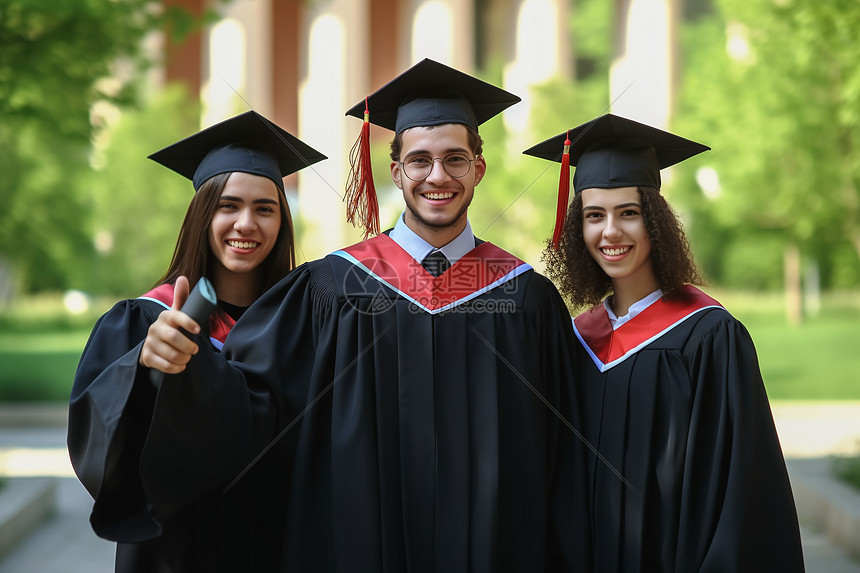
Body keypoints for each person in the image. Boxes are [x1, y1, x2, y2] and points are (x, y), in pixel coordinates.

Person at [138, 58, 590, 571]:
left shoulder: (528, 300)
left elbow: (567, 451)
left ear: (478, 169)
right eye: (418, 160)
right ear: (395, 171)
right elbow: (253, 409)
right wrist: (181, 372)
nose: (436, 176)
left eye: (455, 159)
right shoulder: (327, 288)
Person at [524, 113, 805, 572]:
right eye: (594, 215)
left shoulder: (709, 337)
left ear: (655, 222)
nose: (610, 231)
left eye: (628, 213)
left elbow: (741, 492)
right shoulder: (576, 342)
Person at [67, 110, 326, 572]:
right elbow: (99, 445)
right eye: (228, 205)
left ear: (281, 221)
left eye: (264, 208)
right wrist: (142, 369)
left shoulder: (305, 327)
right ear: (202, 215)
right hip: (175, 553)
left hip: (281, 549)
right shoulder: (145, 320)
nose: (246, 223)